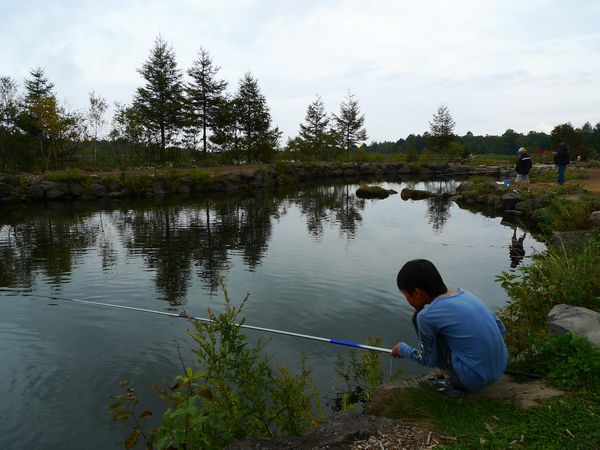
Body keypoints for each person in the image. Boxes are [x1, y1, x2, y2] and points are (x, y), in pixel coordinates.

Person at [391, 259, 508, 392]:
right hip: (499, 367)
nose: (407, 300)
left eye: (406, 295)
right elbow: (501, 327)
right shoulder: (465, 294)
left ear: (417, 293)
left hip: (473, 380)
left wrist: (401, 349)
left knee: (417, 317)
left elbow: (428, 360)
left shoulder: (426, 316)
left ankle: (455, 382)